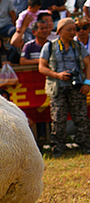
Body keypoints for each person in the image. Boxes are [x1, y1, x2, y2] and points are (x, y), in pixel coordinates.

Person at [38, 18, 90, 156]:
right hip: (57, 88)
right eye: (70, 29)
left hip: (77, 87)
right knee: (58, 120)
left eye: (75, 29)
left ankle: (84, 145)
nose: (73, 32)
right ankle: (58, 148)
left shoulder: (78, 46)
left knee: (81, 118)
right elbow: (41, 67)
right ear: (60, 31)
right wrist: (57, 75)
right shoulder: (49, 46)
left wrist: (88, 82)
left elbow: (88, 64)